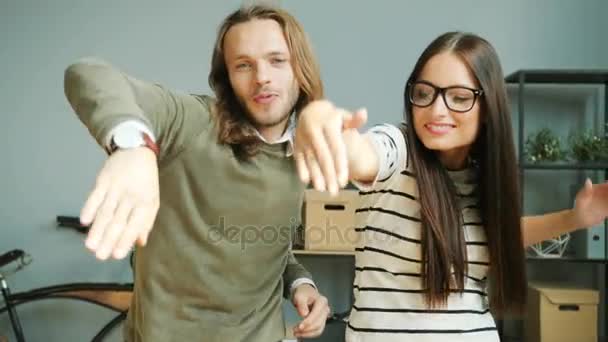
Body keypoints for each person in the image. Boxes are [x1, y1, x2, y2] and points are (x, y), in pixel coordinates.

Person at [293, 32, 608, 342]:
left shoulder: (483, 176)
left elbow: (501, 233)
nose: (436, 110)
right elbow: (362, 154)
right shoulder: (398, 150)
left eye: (459, 97)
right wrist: (322, 122)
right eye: (424, 93)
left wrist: (575, 218)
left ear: (488, 108)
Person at [63, 5, 331, 342]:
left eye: (277, 60)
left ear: (300, 69)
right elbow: (88, 73)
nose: (262, 76)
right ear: (228, 79)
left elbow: (266, 242)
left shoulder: (303, 155)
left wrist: (300, 284)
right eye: (243, 65)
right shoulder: (193, 122)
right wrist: (134, 147)